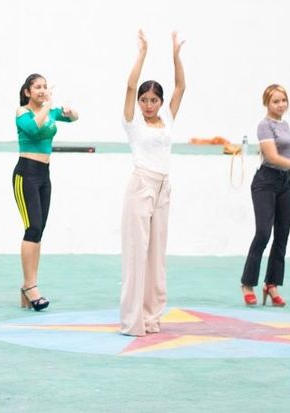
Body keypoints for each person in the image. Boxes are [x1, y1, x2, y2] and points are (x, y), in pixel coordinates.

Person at [119, 31, 185, 336]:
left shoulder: (167, 117)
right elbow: (130, 86)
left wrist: (175, 56)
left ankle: (151, 317)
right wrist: (142, 53)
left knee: (157, 257)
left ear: (160, 102)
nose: (148, 105)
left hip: (163, 187)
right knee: (137, 253)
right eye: (144, 100)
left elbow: (181, 87)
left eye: (153, 100)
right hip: (141, 185)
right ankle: (132, 321)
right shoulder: (133, 122)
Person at [239, 85, 290, 307]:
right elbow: (272, 157)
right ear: (267, 103)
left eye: (283, 100)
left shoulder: (285, 125)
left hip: (284, 182)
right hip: (265, 182)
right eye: (275, 101)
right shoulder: (264, 126)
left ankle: (271, 284)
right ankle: (247, 283)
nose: (281, 105)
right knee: (263, 233)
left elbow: (284, 154)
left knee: (282, 234)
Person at [13, 72, 79, 311]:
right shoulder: (23, 112)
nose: (42, 90)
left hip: (44, 175)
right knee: (32, 228)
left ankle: (29, 285)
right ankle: (30, 286)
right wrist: (48, 105)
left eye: (45, 86)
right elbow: (33, 127)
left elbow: (74, 118)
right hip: (26, 175)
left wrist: (69, 111)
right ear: (27, 92)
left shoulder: (49, 111)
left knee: (39, 230)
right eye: (37, 87)